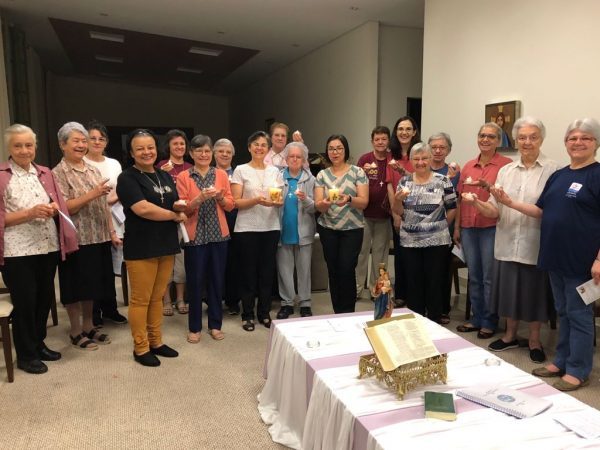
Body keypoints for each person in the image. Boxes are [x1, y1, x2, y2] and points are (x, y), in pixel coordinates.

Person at [494, 118, 600, 391]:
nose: (578, 143)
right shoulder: (560, 175)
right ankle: (561, 361)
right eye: (573, 138)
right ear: (565, 143)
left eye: (585, 138)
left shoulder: (596, 175)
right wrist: (509, 202)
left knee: (579, 315)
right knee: (563, 312)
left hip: (582, 262)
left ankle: (578, 369)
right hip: (554, 256)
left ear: (596, 143)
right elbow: (541, 211)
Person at [462, 117, 560, 362]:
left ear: (541, 139)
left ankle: (535, 339)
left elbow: (549, 210)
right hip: (506, 240)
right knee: (509, 291)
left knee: (535, 294)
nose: (527, 142)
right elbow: (495, 209)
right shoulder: (506, 171)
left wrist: (509, 202)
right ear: (515, 140)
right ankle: (509, 335)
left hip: (535, 242)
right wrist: (477, 203)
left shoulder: (553, 170)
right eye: (522, 137)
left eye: (533, 137)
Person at [0, 124, 78, 374]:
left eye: (29, 145)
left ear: (35, 146)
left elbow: (58, 204)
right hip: (17, 251)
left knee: (44, 299)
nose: (24, 150)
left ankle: (38, 343)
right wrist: (29, 213)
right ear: (9, 147)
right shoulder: (2, 175)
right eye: (18, 145)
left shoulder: (44, 172)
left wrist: (54, 208)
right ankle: (25, 354)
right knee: (25, 303)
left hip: (47, 246)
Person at [116, 129, 185, 366]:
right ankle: (141, 347)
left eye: (150, 147)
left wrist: (182, 207)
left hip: (166, 243)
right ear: (131, 153)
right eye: (140, 148)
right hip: (141, 245)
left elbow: (172, 202)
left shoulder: (163, 175)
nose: (146, 152)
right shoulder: (127, 178)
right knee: (140, 300)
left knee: (157, 297)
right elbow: (142, 208)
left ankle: (156, 341)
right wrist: (173, 215)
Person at [53, 122, 121, 350]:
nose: (82, 145)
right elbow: (65, 208)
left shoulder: (92, 169)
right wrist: (92, 193)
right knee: (74, 287)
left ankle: (89, 325)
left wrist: (111, 232)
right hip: (76, 239)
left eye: (84, 141)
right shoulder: (58, 173)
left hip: (99, 236)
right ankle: (75, 331)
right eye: (76, 141)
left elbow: (104, 205)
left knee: (92, 285)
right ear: (63, 144)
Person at [454, 122, 511, 339]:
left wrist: (489, 188)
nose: (485, 140)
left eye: (491, 136)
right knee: (474, 276)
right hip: (468, 227)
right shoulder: (468, 166)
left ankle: (489, 320)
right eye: (482, 135)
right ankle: (476, 317)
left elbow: (507, 198)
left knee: (489, 277)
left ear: (498, 141)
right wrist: (457, 227)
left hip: (491, 227)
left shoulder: (506, 166)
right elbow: (460, 200)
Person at [176, 135, 234, 343]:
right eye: (199, 151)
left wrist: (219, 196)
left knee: (217, 281)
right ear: (191, 153)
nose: (203, 154)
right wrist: (198, 198)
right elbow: (183, 208)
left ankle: (215, 325)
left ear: (212, 153)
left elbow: (230, 205)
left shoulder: (221, 174)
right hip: (195, 236)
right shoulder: (184, 176)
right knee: (195, 282)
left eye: (207, 151)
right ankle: (195, 327)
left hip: (219, 235)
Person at [392, 143, 456, 323]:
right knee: (413, 282)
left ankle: (434, 319)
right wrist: (397, 200)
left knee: (434, 281)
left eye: (424, 158)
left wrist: (441, 226)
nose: (420, 162)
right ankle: (417, 319)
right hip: (410, 241)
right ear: (411, 161)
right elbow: (398, 211)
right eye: (416, 159)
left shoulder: (443, 181)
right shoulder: (404, 182)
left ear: (430, 159)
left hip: (437, 241)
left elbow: (452, 207)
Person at [231, 131, 282, 331]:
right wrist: (256, 200)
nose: (259, 148)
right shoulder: (241, 170)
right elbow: (236, 202)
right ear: (249, 147)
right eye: (256, 144)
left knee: (267, 272)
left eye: (263, 145)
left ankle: (264, 312)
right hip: (246, 228)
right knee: (248, 272)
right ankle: (247, 314)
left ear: (268, 149)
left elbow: (279, 200)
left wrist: (274, 202)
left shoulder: (274, 171)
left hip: (270, 227)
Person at [315, 134, 368, 314]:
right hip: (328, 228)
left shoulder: (357, 172)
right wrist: (326, 203)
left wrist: (349, 199)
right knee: (333, 270)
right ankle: (338, 311)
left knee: (346, 269)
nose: (335, 152)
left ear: (345, 150)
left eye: (339, 148)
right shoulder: (322, 175)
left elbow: (364, 202)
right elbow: (318, 206)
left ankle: (348, 312)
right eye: (331, 149)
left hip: (352, 229)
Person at [84, 120, 128, 326]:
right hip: (90, 219)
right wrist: (101, 200)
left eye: (101, 138)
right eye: (92, 138)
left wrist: (112, 199)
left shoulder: (113, 163)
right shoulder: (82, 163)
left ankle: (110, 308)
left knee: (110, 266)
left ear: (106, 142)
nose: (96, 142)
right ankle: (94, 312)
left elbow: (120, 187)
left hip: (114, 217)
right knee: (94, 267)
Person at [275, 142, 316, 319]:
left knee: (304, 270)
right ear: (285, 158)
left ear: (304, 159)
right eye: (291, 156)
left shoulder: (310, 179)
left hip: (304, 231)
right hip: (282, 230)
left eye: (298, 157)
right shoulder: (277, 177)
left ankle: (305, 303)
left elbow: (315, 208)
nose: (294, 159)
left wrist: (305, 199)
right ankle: (287, 303)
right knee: (284, 270)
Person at [156, 129, 192, 316]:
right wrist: (161, 174)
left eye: (182, 144)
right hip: (165, 218)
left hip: (185, 218)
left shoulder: (190, 167)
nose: (179, 147)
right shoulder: (160, 166)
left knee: (182, 260)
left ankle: (180, 298)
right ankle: (166, 300)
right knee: (166, 260)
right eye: (175, 144)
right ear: (168, 146)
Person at [387, 116, 421, 305]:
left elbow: (420, 180)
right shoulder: (391, 155)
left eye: (408, 129)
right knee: (400, 255)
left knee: (414, 256)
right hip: (398, 211)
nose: (404, 132)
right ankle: (400, 294)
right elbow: (389, 185)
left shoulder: (419, 153)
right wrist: (395, 214)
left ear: (414, 132)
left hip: (418, 212)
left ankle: (415, 295)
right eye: (400, 129)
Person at [355, 126, 393, 299]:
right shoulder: (365, 159)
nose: (380, 142)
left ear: (388, 141)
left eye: (384, 139)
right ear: (372, 141)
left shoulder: (392, 160)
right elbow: (355, 182)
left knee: (380, 255)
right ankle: (356, 288)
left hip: (384, 215)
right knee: (361, 253)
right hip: (363, 214)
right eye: (377, 139)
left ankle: (376, 289)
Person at [428, 132, 460, 324]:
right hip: (423, 230)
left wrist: (454, 228)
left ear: (448, 150)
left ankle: (442, 309)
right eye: (434, 147)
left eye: (442, 147)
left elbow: (457, 203)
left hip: (445, 228)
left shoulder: (454, 173)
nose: (438, 151)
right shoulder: (422, 169)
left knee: (442, 270)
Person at [214, 138, 240, 315]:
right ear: (214, 154)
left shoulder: (239, 173)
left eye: (228, 152)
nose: (224, 154)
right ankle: (213, 300)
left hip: (236, 222)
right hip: (213, 222)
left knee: (234, 263)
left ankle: (232, 301)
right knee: (215, 263)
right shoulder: (208, 172)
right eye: (221, 151)